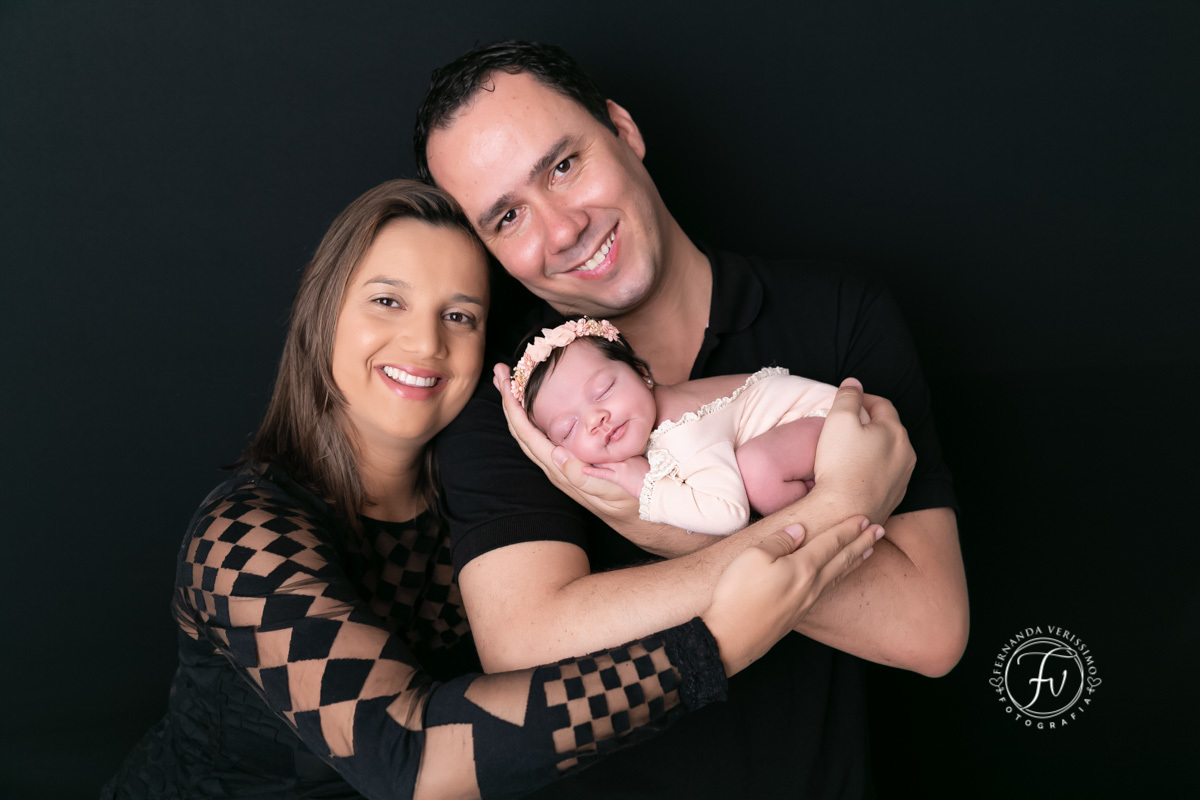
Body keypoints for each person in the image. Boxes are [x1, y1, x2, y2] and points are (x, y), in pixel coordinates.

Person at [102, 179, 885, 800]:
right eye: (387, 301)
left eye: (461, 315)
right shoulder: (243, 536)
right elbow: (407, 756)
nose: (425, 341)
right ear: (322, 315)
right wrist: (713, 646)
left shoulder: (491, 494)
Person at [415, 41, 969, 797]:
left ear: (623, 129)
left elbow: (930, 628)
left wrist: (670, 534)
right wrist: (834, 506)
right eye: (508, 216)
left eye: (564, 166)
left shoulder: (840, 315)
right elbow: (525, 643)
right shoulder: (513, 401)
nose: (562, 229)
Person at [511, 316, 845, 535]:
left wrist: (648, 487)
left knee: (757, 471)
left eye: (603, 391)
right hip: (808, 438)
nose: (594, 420)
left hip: (834, 423)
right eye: (568, 428)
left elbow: (729, 514)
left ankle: (823, 524)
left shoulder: (679, 431)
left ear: (642, 373)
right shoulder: (653, 410)